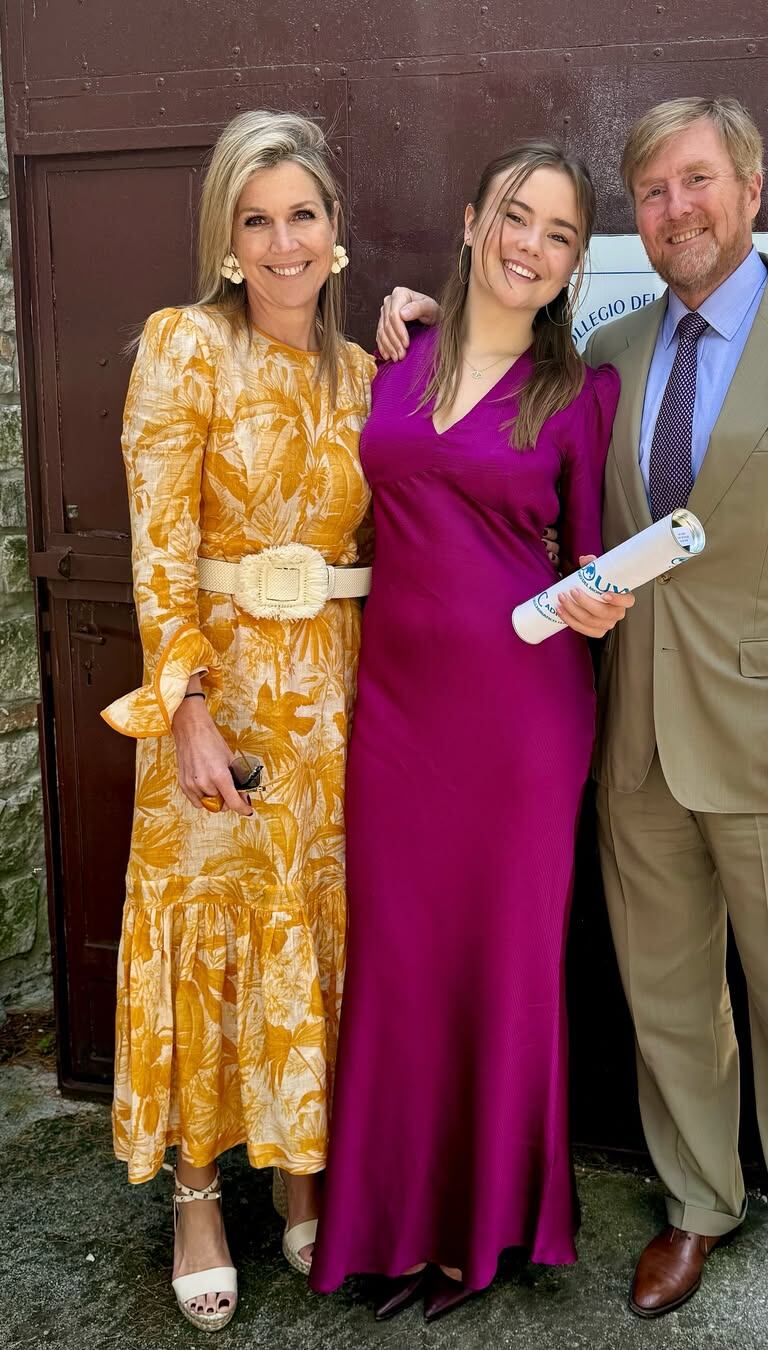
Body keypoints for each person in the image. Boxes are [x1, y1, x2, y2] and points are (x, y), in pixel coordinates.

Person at [379, 94, 768, 1350]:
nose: (676, 210)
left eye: (697, 181)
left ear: (751, 187)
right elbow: (491, 387)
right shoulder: (610, 353)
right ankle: (698, 1204)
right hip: (630, 742)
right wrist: (412, 320)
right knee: (670, 1001)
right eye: (654, 191)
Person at [309, 142, 629, 1322]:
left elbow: (590, 556)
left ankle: (482, 1236)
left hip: (521, 728)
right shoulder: (395, 358)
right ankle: (389, 1225)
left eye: (559, 233)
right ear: (470, 219)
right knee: (398, 965)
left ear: (574, 264)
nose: (530, 244)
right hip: (397, 717)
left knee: (501, 971)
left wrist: (602, 595)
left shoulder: (579, 395)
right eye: (515, 216)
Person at [101, 111, 375, 1331]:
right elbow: (159, 551)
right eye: (255, 220)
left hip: (334, 706)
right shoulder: (186, 347)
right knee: (207, 939)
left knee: (308, 930)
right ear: (226, 237)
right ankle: (201, 1193)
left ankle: (301, 1164)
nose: (281, 241)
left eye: (300, 214)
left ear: (335, 229)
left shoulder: (364, 373)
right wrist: (188, 713)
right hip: (217, 703)